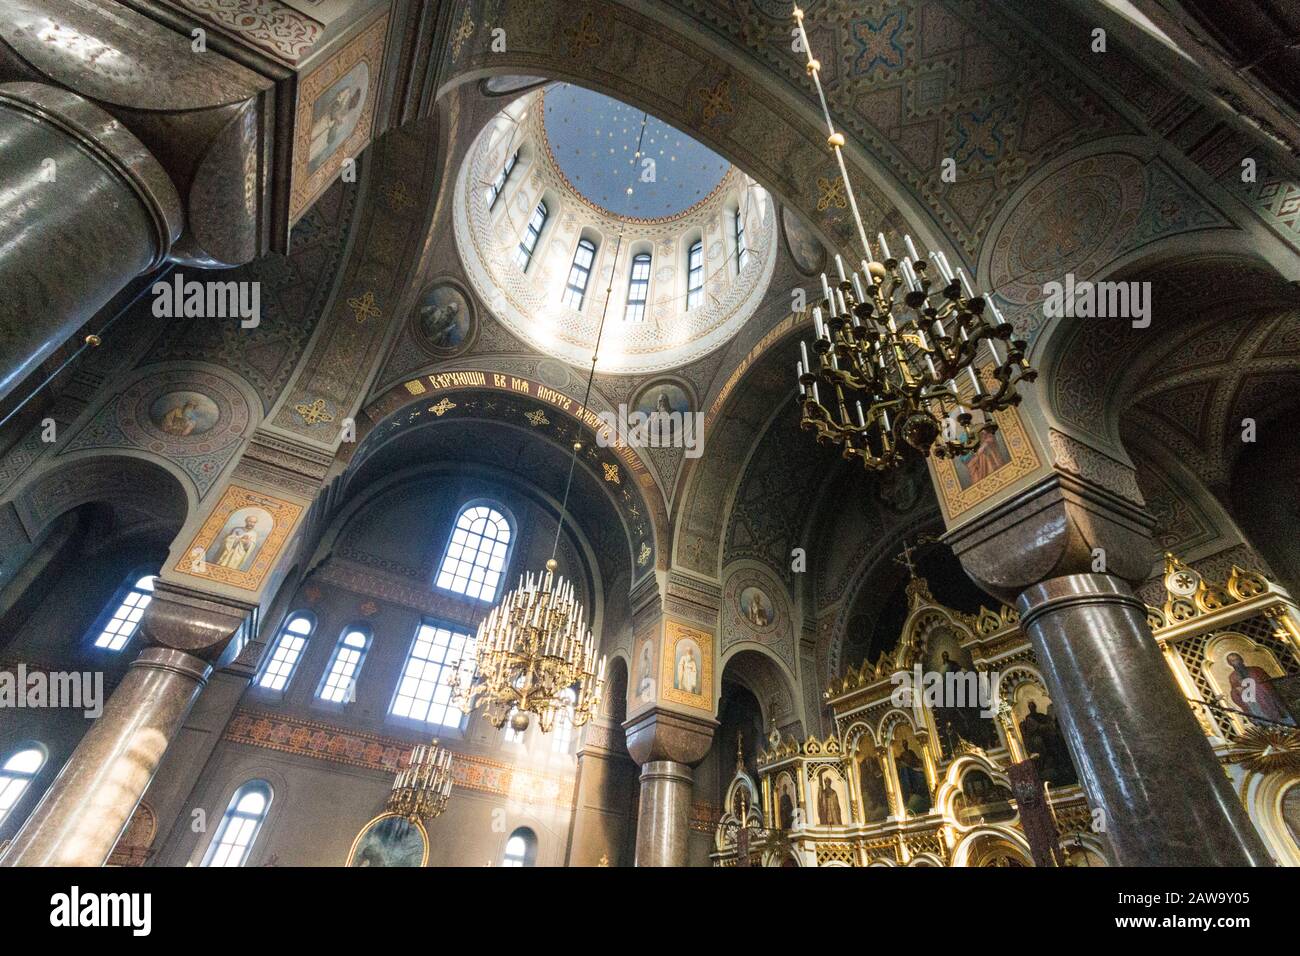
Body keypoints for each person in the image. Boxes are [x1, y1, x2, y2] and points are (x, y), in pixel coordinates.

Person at [1226, 651, 1294, 725]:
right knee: (1266, 721)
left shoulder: (1256, 670)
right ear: (1230, 663)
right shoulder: (1233, 677)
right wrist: (1237, 691)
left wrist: (1260, 688)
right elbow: (1234, 694)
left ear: (1241, 659)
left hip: (1269, 699)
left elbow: (1272, 683)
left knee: (1281, 717)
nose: (1237, 662)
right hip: (1254, 704)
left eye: (1237, 659)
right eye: (1233, 661)